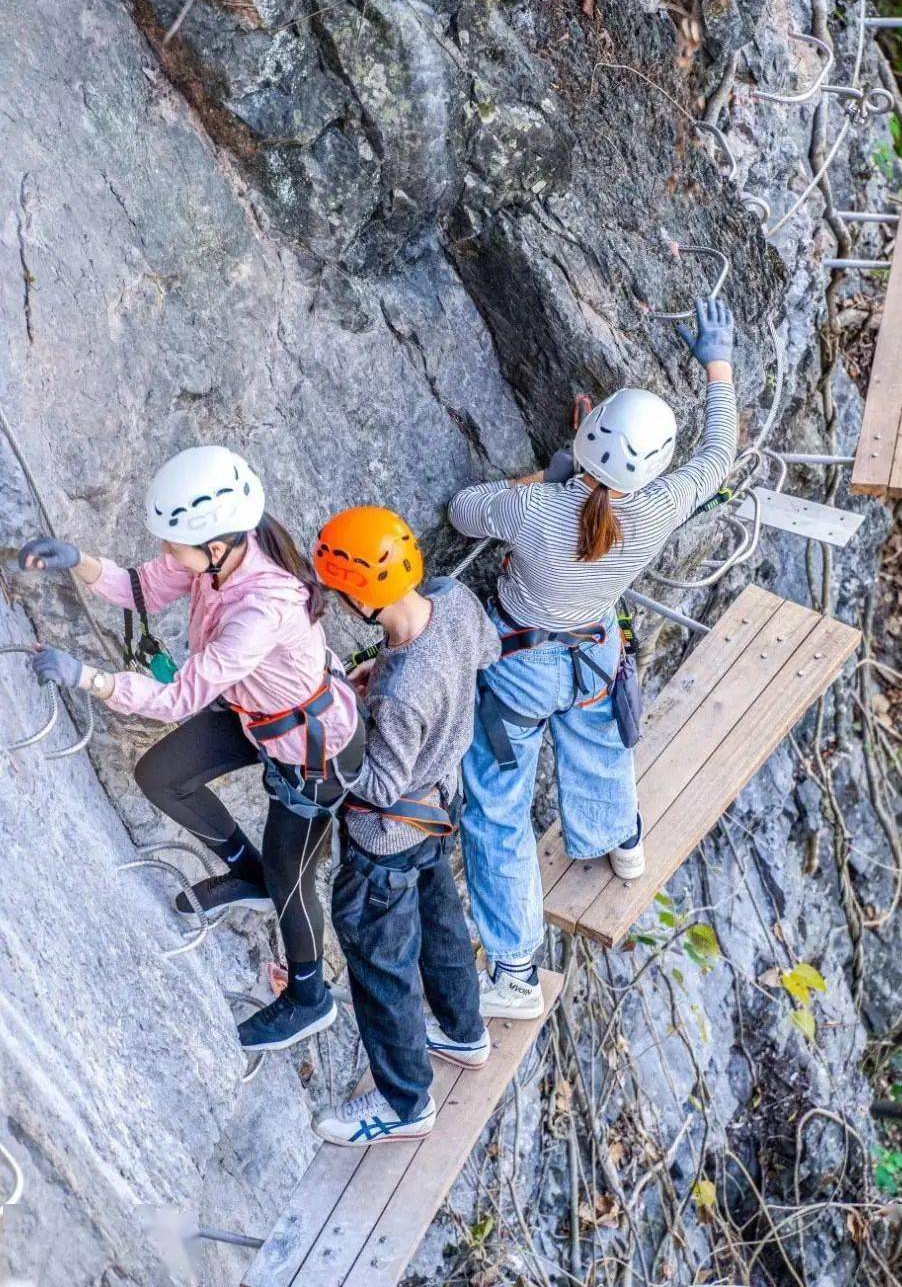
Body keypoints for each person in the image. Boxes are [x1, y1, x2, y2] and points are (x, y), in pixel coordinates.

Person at [19, 445, 364, 1053]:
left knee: (293, 883)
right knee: (161, 775)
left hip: (315, 752)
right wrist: (80, 562)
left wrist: (88, 677)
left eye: (173, 543)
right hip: (258, 715)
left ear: (214, 544)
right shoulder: (216, 556)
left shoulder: (261, 604)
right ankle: (245, 871)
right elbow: (142, 587)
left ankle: (310, 999)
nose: (165, 552)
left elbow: (179, 698)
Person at [449, 297, 738, 1020]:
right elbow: (719, 453)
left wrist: (542, 483)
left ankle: (516, 973)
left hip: (517, 666)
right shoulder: (664, 505)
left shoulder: (532, 511)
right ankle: (619, 841)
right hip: (592, 653)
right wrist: (717, 364)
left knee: (496, 811)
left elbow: (462, 510)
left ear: (587, 430)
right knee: (597, 744)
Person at [310, 506, 500, 1147]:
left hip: (384, 844)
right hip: (439, 811)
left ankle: (404, 1103)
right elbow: (487, 652)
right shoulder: (454, 599)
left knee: (382, 966)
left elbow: (379, 787)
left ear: (358, 597)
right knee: (443, 926)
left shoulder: (397, 690)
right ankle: (464, 1031)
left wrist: (334, 731)